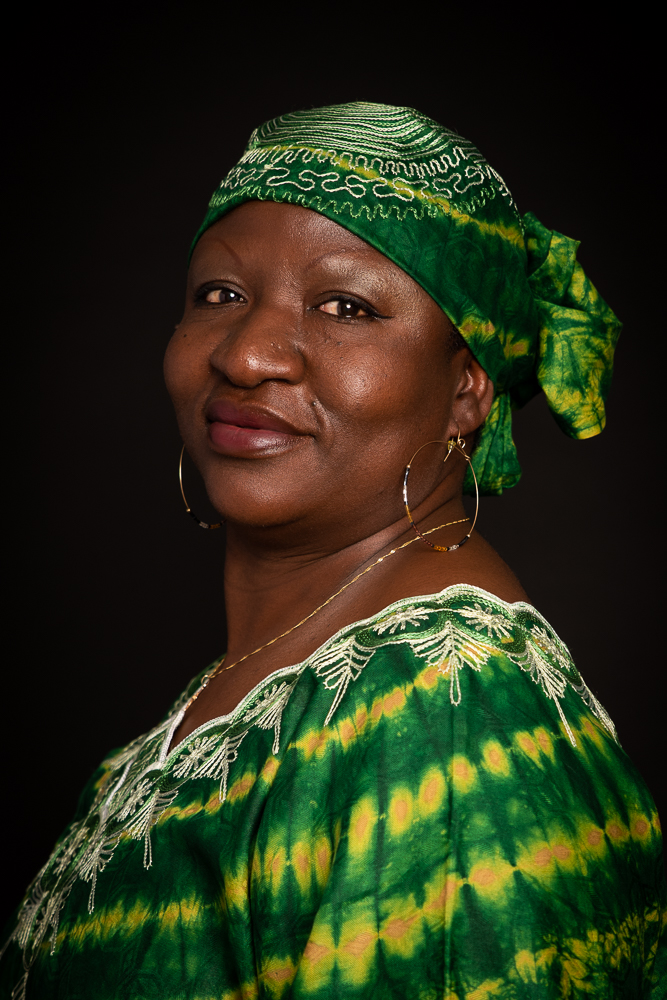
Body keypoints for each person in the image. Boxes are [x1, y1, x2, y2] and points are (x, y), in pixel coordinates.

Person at [1, 102, 664, 999]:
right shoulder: (272, 686)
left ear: (467, 387)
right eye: (220, 295)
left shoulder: (446, 713)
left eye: (344, 307)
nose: (246, 356)